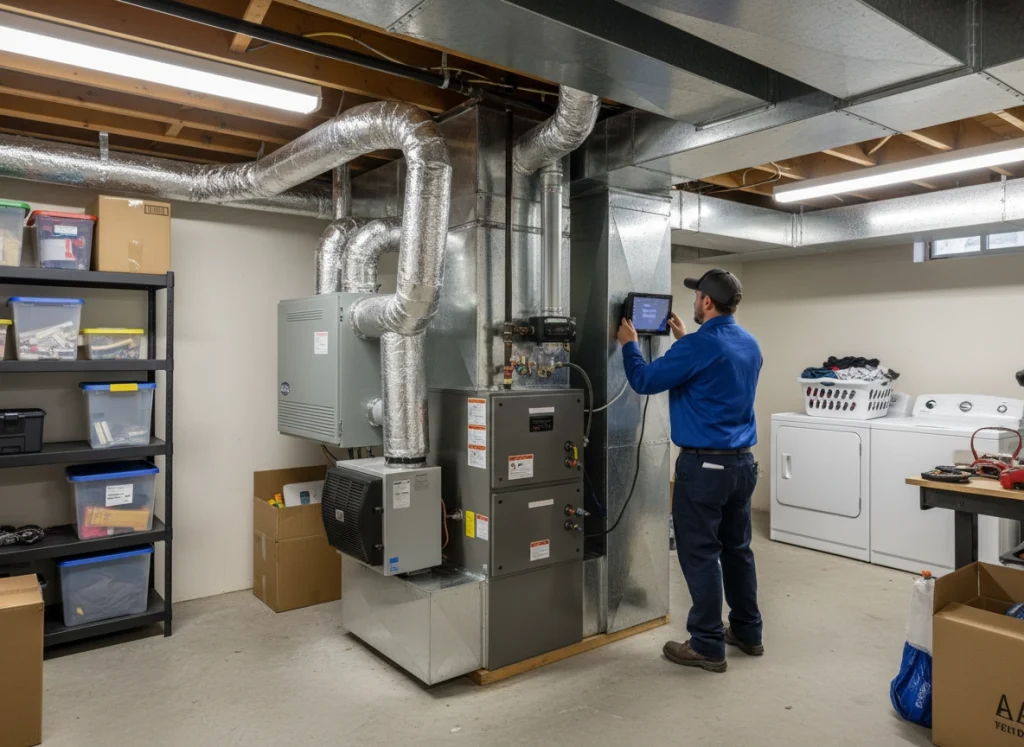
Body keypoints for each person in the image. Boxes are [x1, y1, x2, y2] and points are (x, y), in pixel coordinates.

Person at [617, 269, 763, 674]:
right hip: (741, 465)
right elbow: (719, 374)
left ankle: (706, 644)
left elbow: (644, 380)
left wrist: (630, 345)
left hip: (704, 467)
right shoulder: (749, 343)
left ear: (707, 303)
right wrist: (685, 342)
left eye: (697, 296)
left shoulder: (700, 346)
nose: (694, 302)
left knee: (700, 555)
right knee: (738, 551)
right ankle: (748, 633)